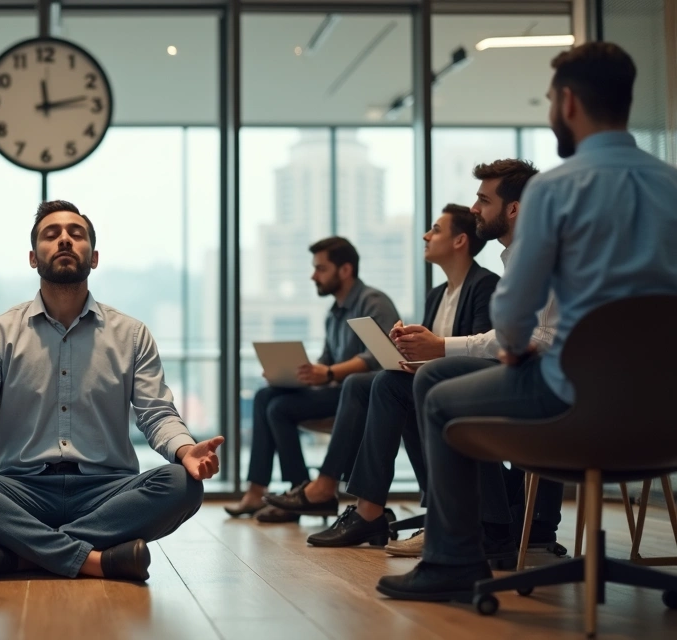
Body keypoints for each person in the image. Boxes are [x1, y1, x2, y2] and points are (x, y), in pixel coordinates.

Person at [379, 42, 677, 603]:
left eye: (548, 100)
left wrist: (513, 347)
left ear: (567, 103)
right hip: (666, 412)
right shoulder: (672, 185)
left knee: (434, 385)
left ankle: (453, 561)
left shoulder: (556, 191)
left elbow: (515, 317)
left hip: (572, 399)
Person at [0, 200, 222, 581]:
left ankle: (22, 556)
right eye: (51, 234)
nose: (64, 241)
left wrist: (187, 451)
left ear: (93, 258)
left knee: (182, 485)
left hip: (107, 492)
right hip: (20, 491)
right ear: (32, 257)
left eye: (76, 234)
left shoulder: (132, 335)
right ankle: (96, 560)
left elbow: (157, 414)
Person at [266, 204, 499, 546]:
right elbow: (433, 350)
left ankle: (354, 503)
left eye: (435, 229)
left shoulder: (485, 285)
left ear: (460, 241)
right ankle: (362, 506)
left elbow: (483, 351)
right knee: (368, 383)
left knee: (377, 382)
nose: (425, 235)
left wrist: (431, 349)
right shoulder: (437, 296)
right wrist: (409, 345)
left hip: (466, 388)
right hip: (432, 383)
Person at [384, 158, 563, 560]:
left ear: (514, 208)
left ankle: (473, 531)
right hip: (555, 378)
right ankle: (475, 524)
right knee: (407, 382)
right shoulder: (519, 254)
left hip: (556, 385)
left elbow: (540, 338)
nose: (476, 209)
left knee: (438, 380)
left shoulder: (537, 256)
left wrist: (442, 349)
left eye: (484, 199)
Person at [226, 237, 400, 523]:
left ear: (345, 270)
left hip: (362, 395)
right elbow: (327, 360)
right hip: (335, 391)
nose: (313, 275)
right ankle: (258, 491)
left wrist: (329, 373)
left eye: (320, 269)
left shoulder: (373, 301)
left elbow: (379, 356)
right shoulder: (333, 314)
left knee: (278, 408)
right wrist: (296, 375)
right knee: (266, 395)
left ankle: (302, 492)